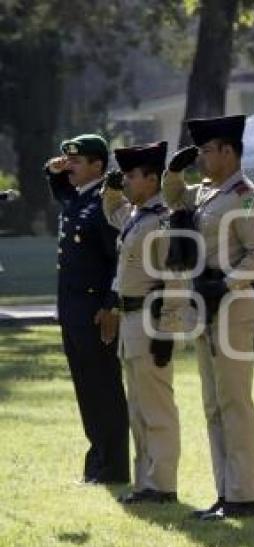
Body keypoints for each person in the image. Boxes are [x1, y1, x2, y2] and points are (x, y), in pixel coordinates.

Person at [162, 115, 254, 520]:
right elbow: (175, 198)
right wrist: (174, 171)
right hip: (206, 306)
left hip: (233, 308)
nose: (202, 158)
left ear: (228, 151)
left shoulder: (245, 196)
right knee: (213, 404)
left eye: (207, 150)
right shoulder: (208, 192)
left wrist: (227, 284)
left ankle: (245, 495)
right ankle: (226, 491)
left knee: (234, 403)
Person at [45, 134, 129, 485]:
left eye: (77, 162)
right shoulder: (78, 198)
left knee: (104, 388)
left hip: (95, 311)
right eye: (68, 162)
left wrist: (111, 305)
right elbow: (59, 187)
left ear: (98, 165)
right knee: (86, 389)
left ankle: (114, 466)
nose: (70, 168)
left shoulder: (106, 202)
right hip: (72, 311)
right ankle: (97, 462)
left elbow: (119, 260)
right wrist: (52, 170)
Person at [101, 141, 182, 504]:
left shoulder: (162, 220)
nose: (127, 182)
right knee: (138, 409)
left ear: (152, 179)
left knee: (156, 407)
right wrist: (111, 189)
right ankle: (145, 483)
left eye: (132, 176)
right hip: (131, 319)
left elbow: (175, 279)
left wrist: (167, 330)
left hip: (151, 319)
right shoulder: (136, 216)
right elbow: (112, 212)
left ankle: (162, 484)